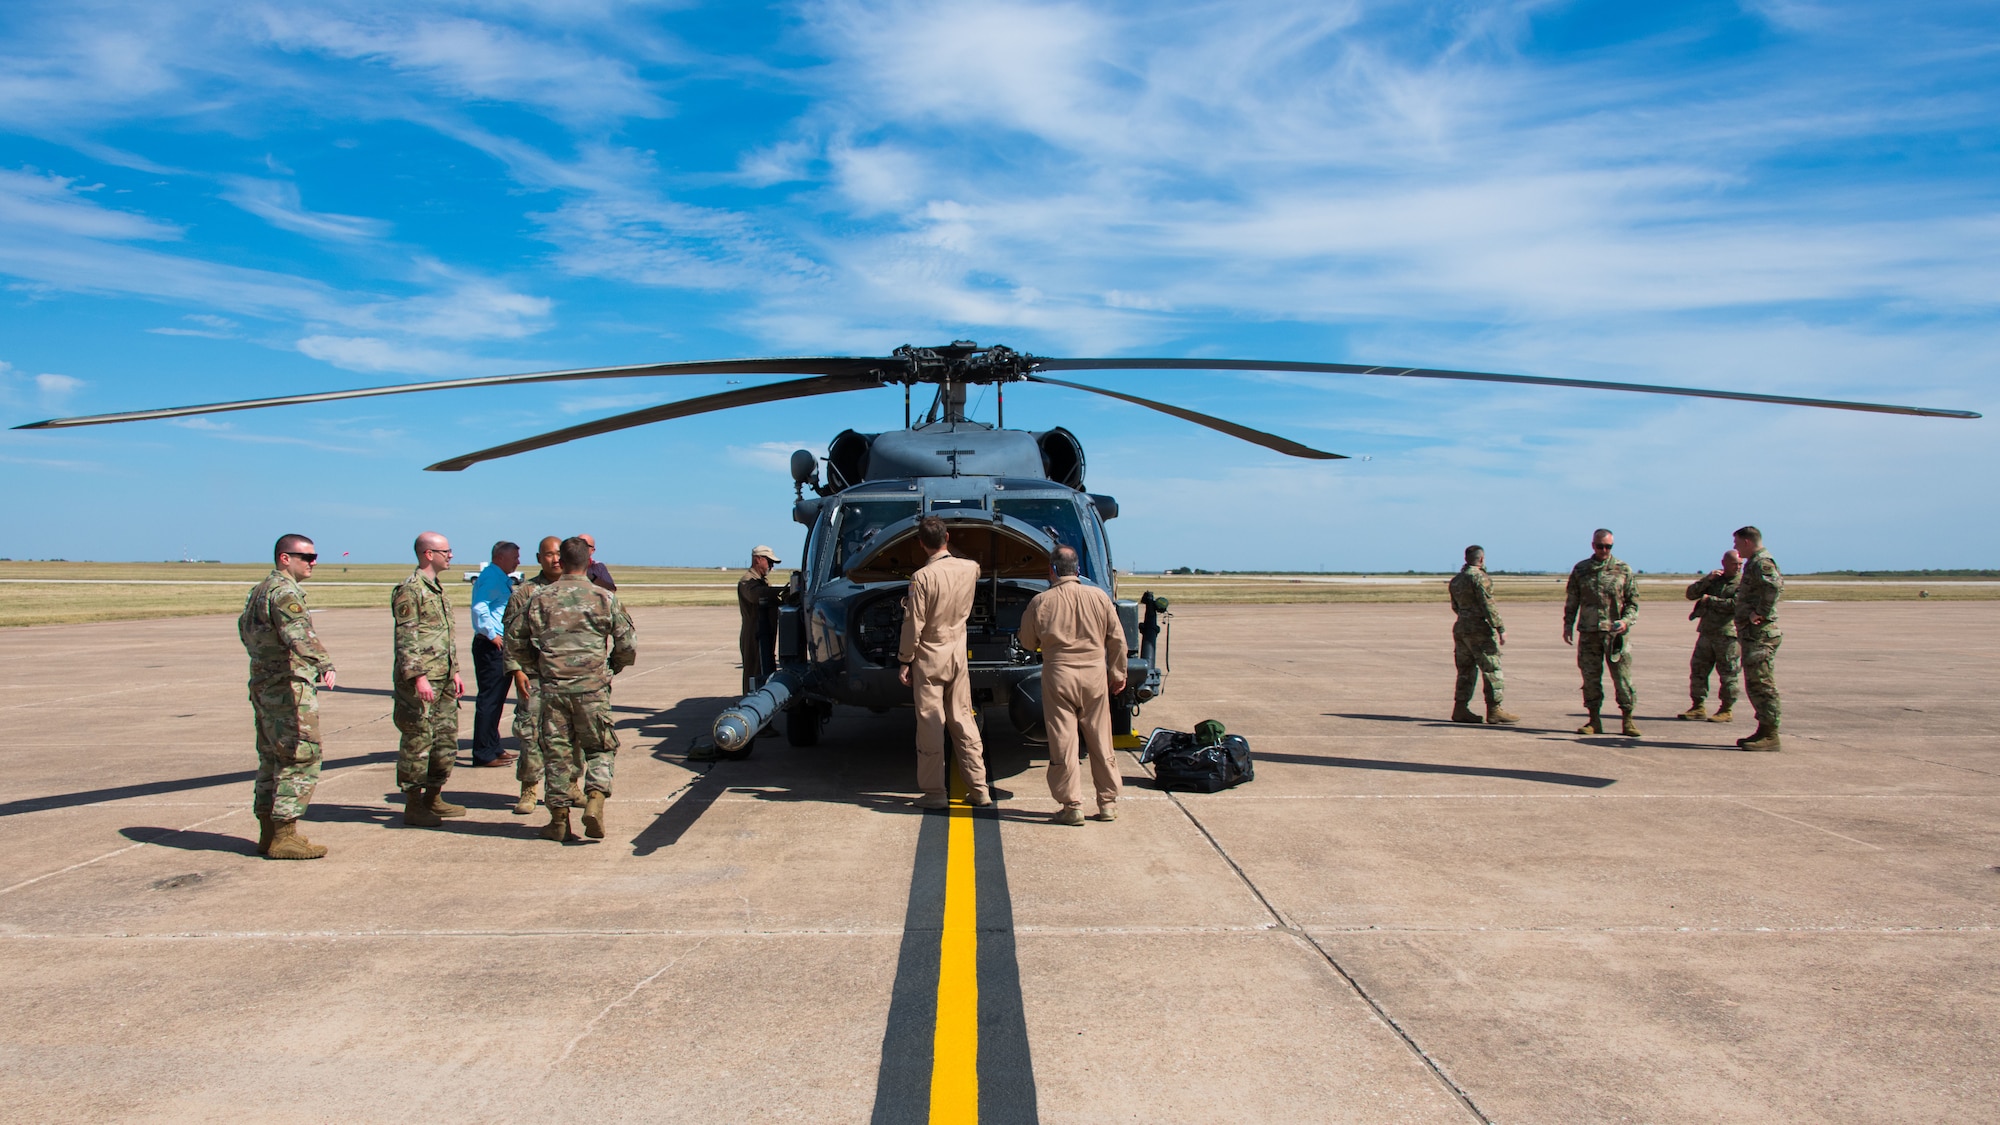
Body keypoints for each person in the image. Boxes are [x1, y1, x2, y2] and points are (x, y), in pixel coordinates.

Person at [508, 536, 637, 842]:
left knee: (558, 754)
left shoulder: (539, 598)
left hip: (553, 690)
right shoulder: (605, 598)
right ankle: (594, 798)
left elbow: (515, 640)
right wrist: (611, 667)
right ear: (588, 562)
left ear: (561, 562)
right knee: (600, 748)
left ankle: (559, 821)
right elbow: (627, 643)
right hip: (592, 689)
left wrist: (532, 669)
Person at [238, 533, 336, 860]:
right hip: (287, 687)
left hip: (265, 683)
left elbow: (246, 632)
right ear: (285, 558)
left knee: (271, 756)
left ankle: (269, 833)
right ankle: (285, 834)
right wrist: (323, 663)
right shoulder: (284, 593)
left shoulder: (260, 590)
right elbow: (298, 633)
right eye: (306, 556)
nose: (313, 562)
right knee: (300, 754)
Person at [1018, 545, 1126, 825]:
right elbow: (1117, 639)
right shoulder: (1099, 597)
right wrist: (1118, 674)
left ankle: (1072, 805)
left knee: (1064, 742)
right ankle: (1108, 802)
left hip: (1058, 675)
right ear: (1078, 569)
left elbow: (1028, 642)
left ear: (1052, 571)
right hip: (1094, 675)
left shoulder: (1041, 601)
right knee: (1101, 739)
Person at [896, 515, 993, 810]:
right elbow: (971, 565)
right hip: (957, 656)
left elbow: (914, 623)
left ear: (921, 543)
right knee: (963, 718)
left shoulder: (922, 578)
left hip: (930, 658)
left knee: (930, 723)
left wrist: (904, 660)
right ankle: (979, 788)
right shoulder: (969, 569)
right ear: (947, 538)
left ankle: (935, 793)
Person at [394, 531, 468, 827]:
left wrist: (456, 671)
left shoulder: (436, 588)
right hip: (422, 682)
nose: (450, 555)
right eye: (445, 551)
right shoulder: (410, 590)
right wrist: (419, 678)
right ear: (428, 554)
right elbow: (407, 638)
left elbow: (443, 636)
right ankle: (413, 804)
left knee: (445, 742)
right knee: (418, 741)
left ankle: (433, 797)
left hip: (444, 679)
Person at [503, 537, 563, 815]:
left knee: (569, 734)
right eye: (548, 555)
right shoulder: (524, 593)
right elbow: (511, 637)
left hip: (569, 677)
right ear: (539, 558)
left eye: (559, 554)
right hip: (535, 676)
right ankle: (529, 788)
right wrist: (516, 670)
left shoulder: (576, 590)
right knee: (530, 733)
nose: (555, 559)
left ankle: (570, 785)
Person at [1564, 528, 1641, 737]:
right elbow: (1572, 600)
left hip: (1615, 635)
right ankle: (1594, 720)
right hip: (1589, 633)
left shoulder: (1623, 569)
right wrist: (1568, 624)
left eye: (1608, 547)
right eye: (1600, 546)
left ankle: (1628, 719)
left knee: (1623, 680)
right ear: (1593, 545)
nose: (1604, 550)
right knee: (1590, 678)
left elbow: (1633, 603)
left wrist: (1626, 621)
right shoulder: (1581, 570)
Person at [1447, 545, 1517, 725]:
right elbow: (1488, 605)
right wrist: (1500, 628)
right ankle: (1494, 710)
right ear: (1482, 559)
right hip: (1479, 629)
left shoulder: (1456, 580)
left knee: (1465, 670)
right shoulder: (1479, 577)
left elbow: (1455, 606)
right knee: (1492, 669)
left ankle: (1460, 708)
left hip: (1461, 627)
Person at [469, 540, 521, 768]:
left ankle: (493, 745)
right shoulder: (491, 577)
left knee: (497, 700)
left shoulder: (499, 576)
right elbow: (480, 607)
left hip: (499, 645)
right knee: (489, 700)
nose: (518, 561)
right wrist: (492, 634)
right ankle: (483, 752)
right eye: (515, 557)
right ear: (501, 557)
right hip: (492, 647)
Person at [1732, 526, 1784, 751]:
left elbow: (1774, 586)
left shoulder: (1762, 562)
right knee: (1754, 682)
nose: (1734, 547)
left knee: (1762, 683)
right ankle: (1763, 729)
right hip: (1752, 635)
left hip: (1761, 635)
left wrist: (1761, 612)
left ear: (1746, 541)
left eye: (1736, 542)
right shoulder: (1754, 562)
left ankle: (1771, 734)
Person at [1681, 550, 1742, 722]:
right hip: (1707, 633)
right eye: (1734, 564)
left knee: (1728, 674)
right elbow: (1691, 594)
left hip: (1728, 635)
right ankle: (1698, 706)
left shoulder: (1743, 583)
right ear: (1723, 563)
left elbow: (1736, 605)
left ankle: (1726, 709)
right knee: (1698, 670)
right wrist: (1707, 580)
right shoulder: (1715, 580)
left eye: (1739, 564)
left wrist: (1710, 601)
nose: (1737, 568)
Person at [737, 545, 784, 696]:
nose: (771, 566)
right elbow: (756, 595)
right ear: (758, 559)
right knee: (753, 671)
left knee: (766, 667)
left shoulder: (762, 581)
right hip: (754, 633)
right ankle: (750, 701)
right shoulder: (748, 581)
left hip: (765, 632)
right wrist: (782, 592)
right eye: (769, 562)